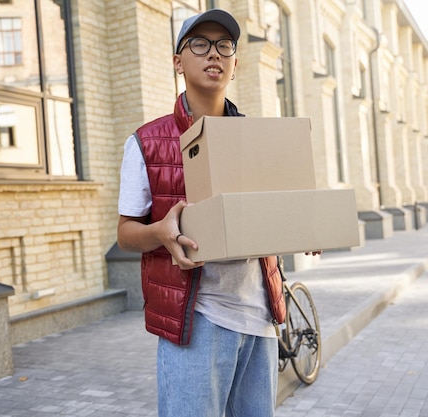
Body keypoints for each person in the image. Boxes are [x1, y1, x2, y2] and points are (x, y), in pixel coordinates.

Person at [117, 9, 319, 416]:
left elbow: (273, 210)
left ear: (235, 63)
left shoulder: (255, 137)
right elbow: (125, 233)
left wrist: (303, 225)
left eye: (224, 45)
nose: (214, 54)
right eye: (200, 44)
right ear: (178, 61)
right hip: (196, 322)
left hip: (260, 318)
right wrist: (160, 233)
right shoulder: (147, 142)